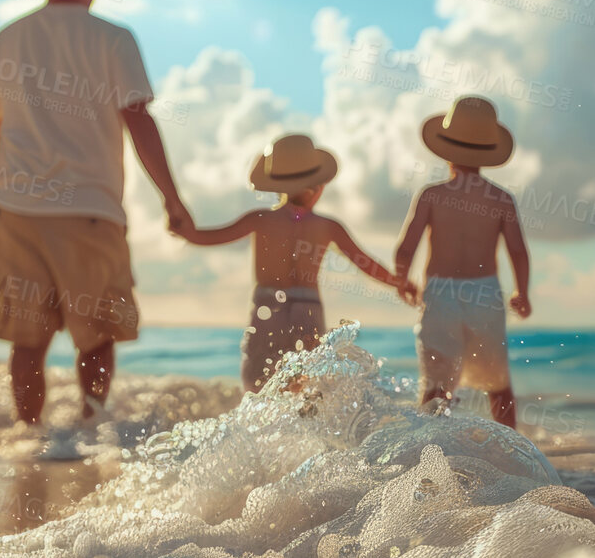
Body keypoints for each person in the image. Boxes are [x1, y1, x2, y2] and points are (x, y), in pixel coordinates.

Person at [0, 0, 192, 425]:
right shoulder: (113, 39)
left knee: (28, 340)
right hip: (90, 209)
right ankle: (87, 431)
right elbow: (138, 120)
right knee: (98, 334)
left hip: (17, 209)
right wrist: (172, 201)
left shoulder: (8, 37)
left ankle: (31, 437)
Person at [178, 134, 417, 392]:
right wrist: (399, 283)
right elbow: (366, 263)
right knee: (302, 386)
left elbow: (210, 237)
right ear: (315, 186)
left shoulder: (259, 219)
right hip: (308, 309)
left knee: (258, 382)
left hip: (268, 306)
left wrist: (183, 228)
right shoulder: (328, 227)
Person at [394, 95, 531, 428]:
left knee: (436, 388)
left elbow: (406, 248)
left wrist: (403, 280)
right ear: (486, 152)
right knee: (498, 386)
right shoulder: (500, 199)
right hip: (484, 294)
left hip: (440, 292)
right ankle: (515, 462)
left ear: (445, 150)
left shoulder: (432, 195)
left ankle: (428, 458)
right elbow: (517, 251)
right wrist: (522, 293)